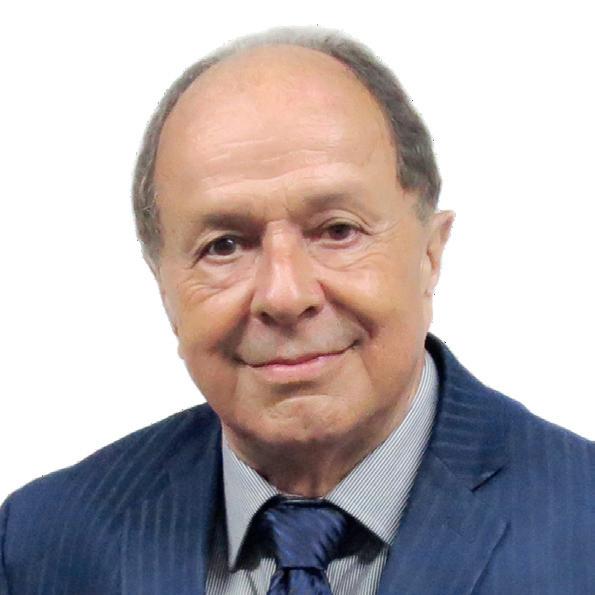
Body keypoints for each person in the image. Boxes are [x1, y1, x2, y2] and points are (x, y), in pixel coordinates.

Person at [1, 26, 593, 595]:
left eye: (338, 230)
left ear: (430, 254)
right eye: (224, 246)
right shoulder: (41, 543)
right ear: (164, 286)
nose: (284, 295)